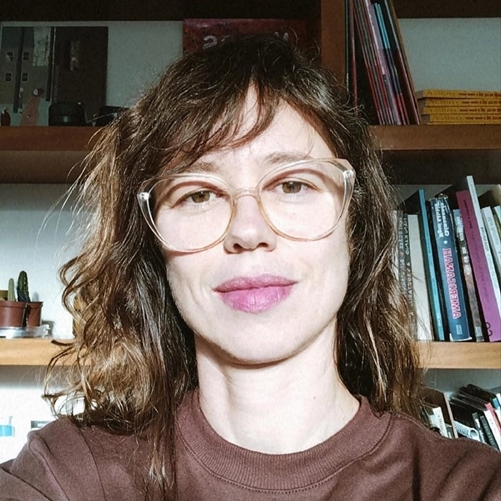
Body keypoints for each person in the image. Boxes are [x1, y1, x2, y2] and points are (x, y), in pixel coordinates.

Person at [1, 34, 500, 501]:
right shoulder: (66, 474)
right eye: (199, 194)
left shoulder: (470, 486)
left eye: (293, 184)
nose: (247, 229)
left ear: (355, 224)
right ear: (152, 243)